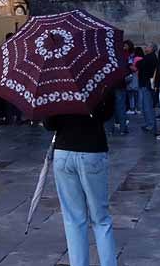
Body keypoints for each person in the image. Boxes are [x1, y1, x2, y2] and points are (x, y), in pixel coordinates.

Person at [44, 91, 117, 266]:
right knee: (101, 219)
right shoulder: (97, 77)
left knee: (73, 219)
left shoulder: (56, 82)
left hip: (64, 151)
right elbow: (106, 114)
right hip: (92, 149)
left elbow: (49, 123)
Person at [137, 43, 158, 133]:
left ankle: (150, 124)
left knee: (147, 105)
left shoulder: (150, 58)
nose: (145, 48)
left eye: (148, 47)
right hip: (147, 83)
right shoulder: (151, 57)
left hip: (147, 84)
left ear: (152, 49)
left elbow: (139, 64)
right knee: (146, 105)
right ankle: (149, 123)